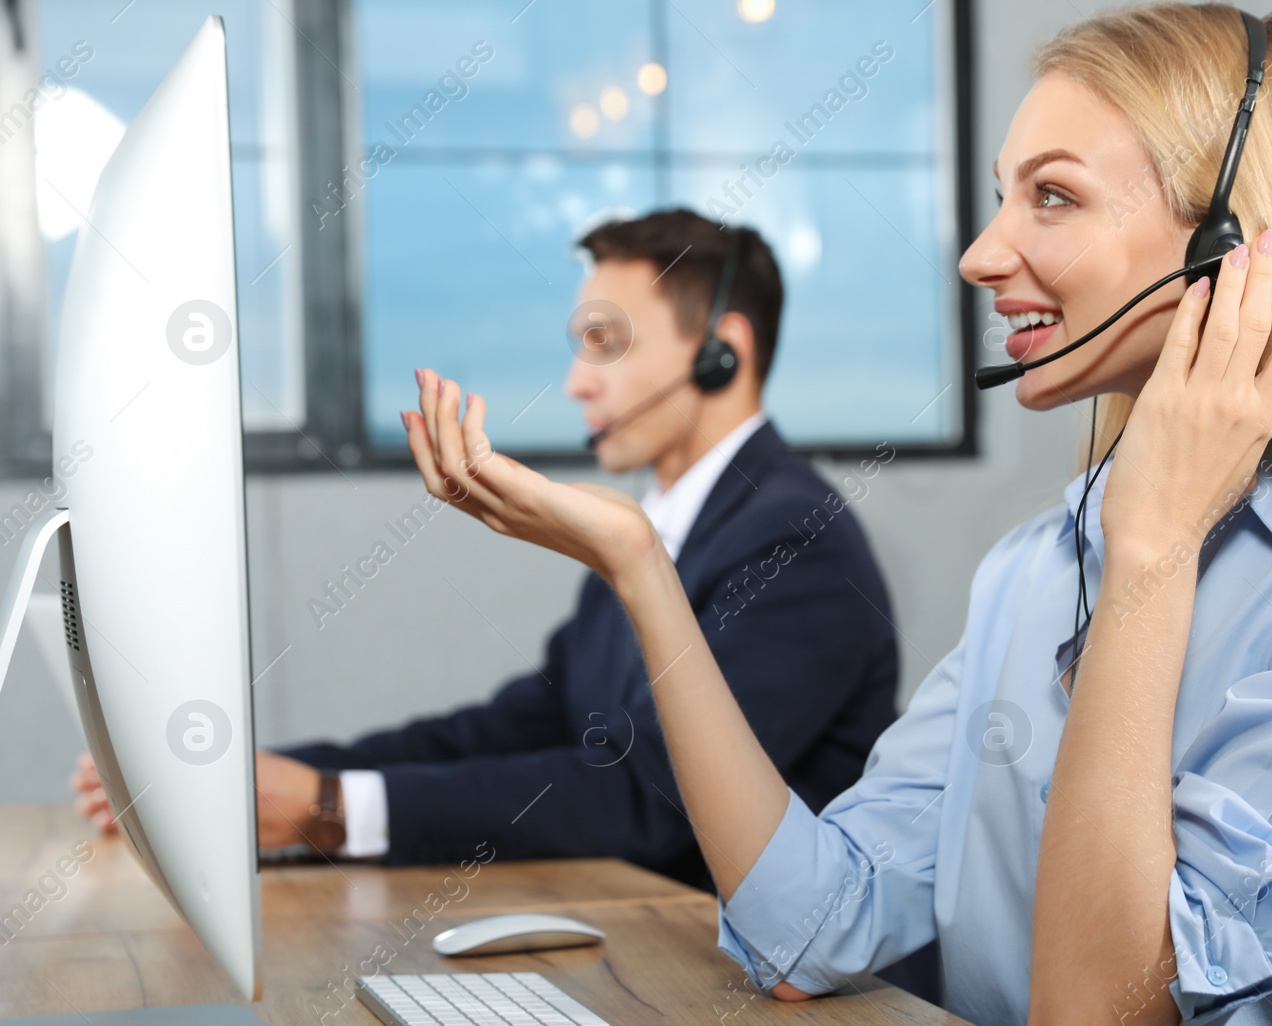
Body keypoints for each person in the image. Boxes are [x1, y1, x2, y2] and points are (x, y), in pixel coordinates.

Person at [396, 6, 1272, 1026]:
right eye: (1002, 193)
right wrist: (640, 567)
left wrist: (1152, 555)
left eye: (1052, 195)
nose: (979, 253)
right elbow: (810, 928)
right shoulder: (1038, 568)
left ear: (1228, 251)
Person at [71, 210, 901, 895]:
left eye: (607, 343)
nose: (577, 382)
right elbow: (518, 726)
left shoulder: (798, 541)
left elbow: (652, 798)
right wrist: (262, 777)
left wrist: (330, 806)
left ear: (722, 350)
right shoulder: (661, 524)